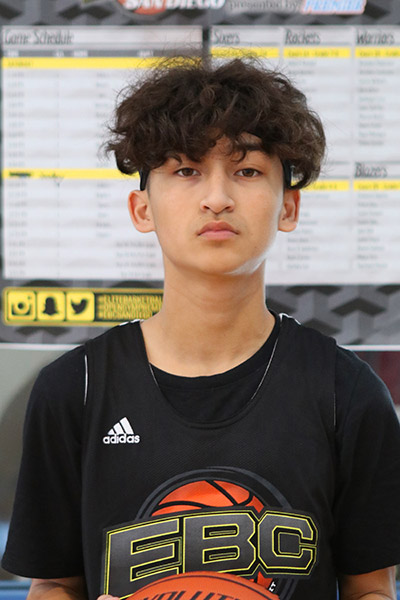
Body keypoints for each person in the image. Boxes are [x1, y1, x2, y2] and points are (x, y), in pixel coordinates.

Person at [2, 58, 400, 600]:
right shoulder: (76, 389)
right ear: (142, 208)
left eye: (247, 170)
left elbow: (371, 589)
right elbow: (52, 584)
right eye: (186, 170)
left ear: (288, 207)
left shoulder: (345, 392)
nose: (217, 197)